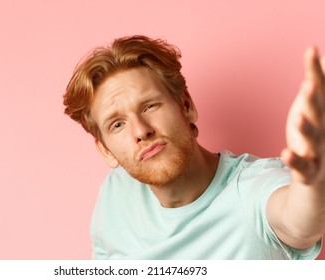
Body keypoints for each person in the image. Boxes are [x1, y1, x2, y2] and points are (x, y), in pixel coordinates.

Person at [63, 35, 324, 259]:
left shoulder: (251, 188)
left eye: (150, 106)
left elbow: (299, 223)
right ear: (106, 151)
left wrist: (314, 182)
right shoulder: (115, 194)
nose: (141, 131)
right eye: (117, 124)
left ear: (186, 106)